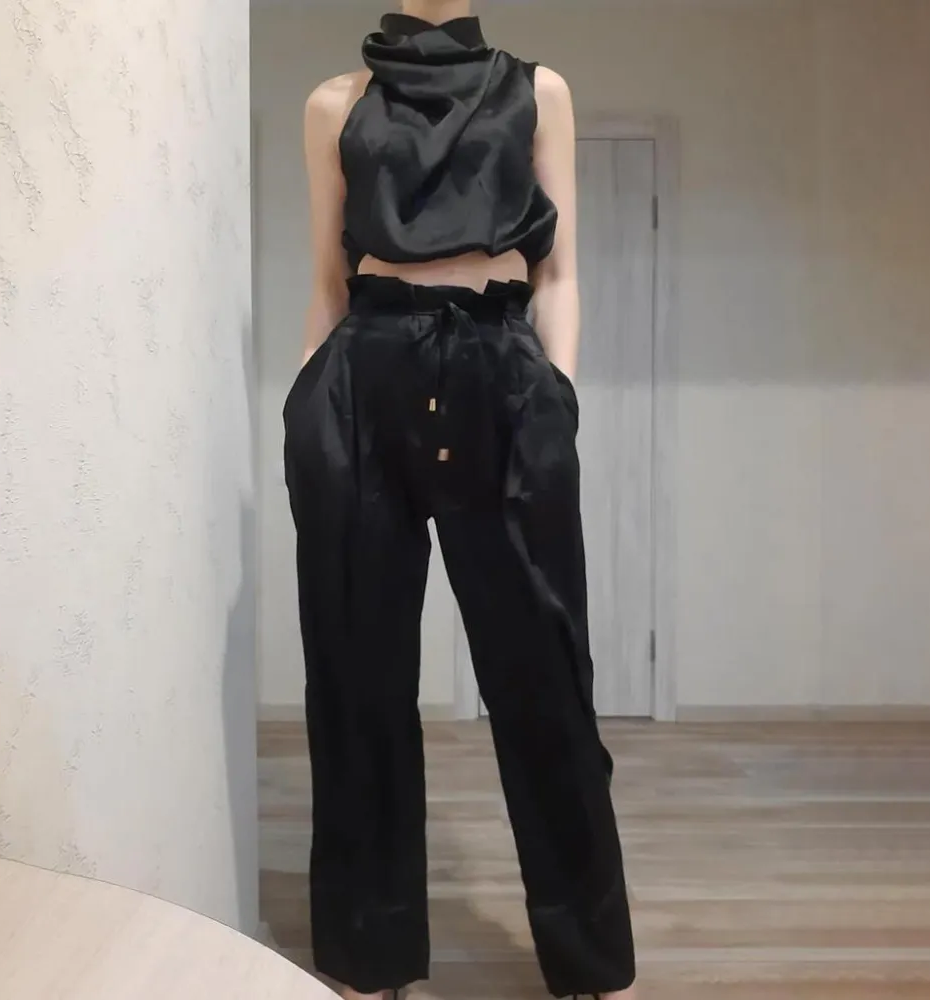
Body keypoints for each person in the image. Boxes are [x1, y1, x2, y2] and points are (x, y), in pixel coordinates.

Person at [284, 2, 637, 998]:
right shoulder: (334, 105)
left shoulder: (537, 91)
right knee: (356, 680)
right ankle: (369, 955)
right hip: (364, 381)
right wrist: (306, 407)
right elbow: (328, 280)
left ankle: (590, 958)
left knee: (545, 679)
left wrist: (554, 398)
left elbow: (558, 271)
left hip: (501, 373)